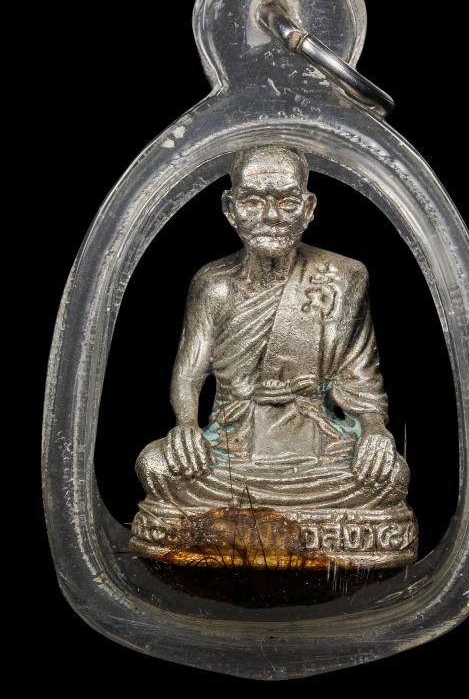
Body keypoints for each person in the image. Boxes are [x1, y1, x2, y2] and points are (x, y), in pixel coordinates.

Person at [133, 145, 410, 517]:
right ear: (230, 209)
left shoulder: (343, 278)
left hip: (321, 447)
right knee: (154, 464)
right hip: (233, 446)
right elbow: (189, 374)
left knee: (391, 475)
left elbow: (361, 381)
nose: (271, 216)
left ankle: (254, 521)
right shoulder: (213, 285)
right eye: (252, 202)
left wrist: (374, 431)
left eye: (287, 202)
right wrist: (185, 426)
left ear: (308, 208)